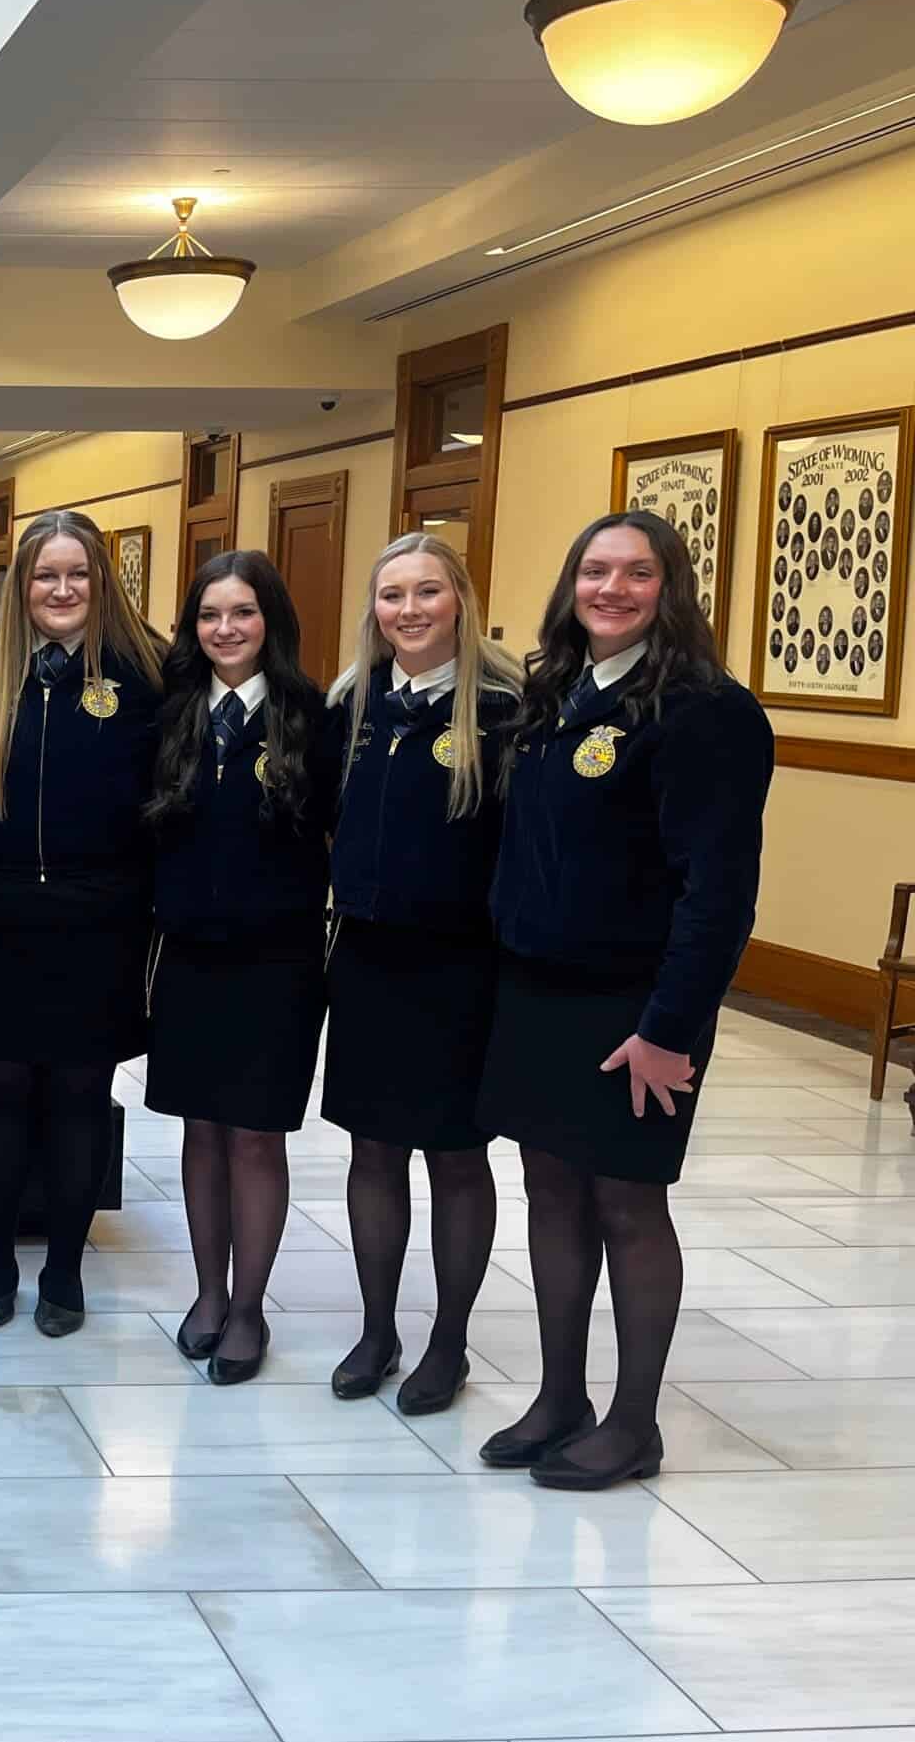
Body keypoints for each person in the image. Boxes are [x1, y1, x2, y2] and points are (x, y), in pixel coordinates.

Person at [476, 510, 772, 1488]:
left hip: (632, 1010)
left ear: (669, 588)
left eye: (634, 573)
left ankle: (634, 1422)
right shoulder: (558, 692)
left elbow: (717, 894)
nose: (609, 588)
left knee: (628, 1206)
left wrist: (667, 1030)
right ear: (571, 586)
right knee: (550, 1192)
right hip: (537, 993)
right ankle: (561, 1396)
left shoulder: (702, 712)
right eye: (593, 570)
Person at [0, 510, 164, 1336]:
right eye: (46, 575)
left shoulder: (146, 669)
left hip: (101, 918)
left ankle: (64, 1271)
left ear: (100, 581)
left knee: (78, 1098)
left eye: (78, 574)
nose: (62, 590)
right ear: (21, 584)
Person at [321, 533, 523, 1414]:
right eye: (392, 595)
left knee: (454, 1156)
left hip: (461, 972)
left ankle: (449, 1341)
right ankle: (377, 1329)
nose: (409, 611)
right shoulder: (352, 709)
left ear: (461, 601)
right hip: (366, 961)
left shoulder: (506, 714)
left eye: (427, 592)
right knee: (372, 1151)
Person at [144, 549, 332, 1387]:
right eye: (210, 615)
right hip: (187, 960)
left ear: (272, 623)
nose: (226, 629)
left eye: (243, 613)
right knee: (199, 1133)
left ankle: (250, 1307)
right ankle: (208, 1293)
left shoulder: (312, 717)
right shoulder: (171, 714)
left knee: (256, 1137)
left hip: (277, 964)